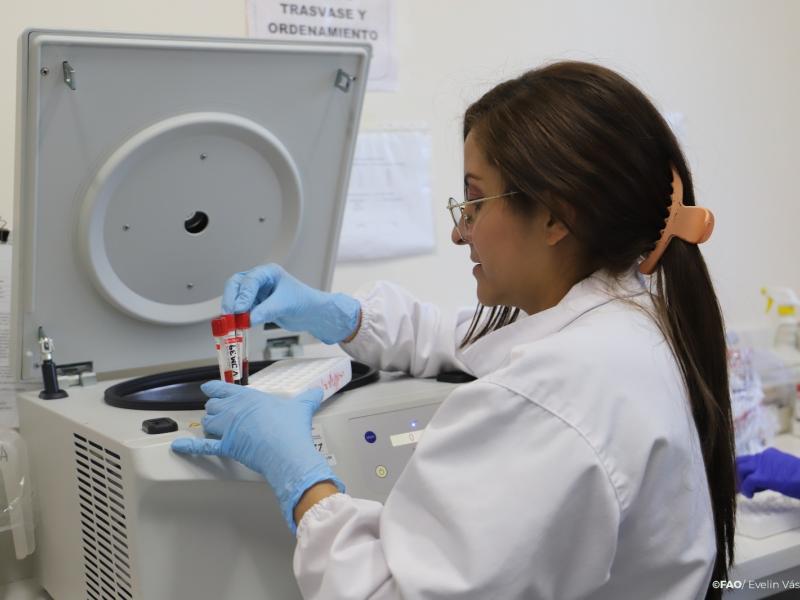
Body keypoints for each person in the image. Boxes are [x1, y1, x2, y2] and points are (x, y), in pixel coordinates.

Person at [172, 61, 736, 599]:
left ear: (554, 216)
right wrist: (343, 315)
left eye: (476, 201)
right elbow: (463, 338)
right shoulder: (628, 317)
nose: (459, 232)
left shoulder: (551, 398)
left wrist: (300, 477)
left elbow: (386, 592)